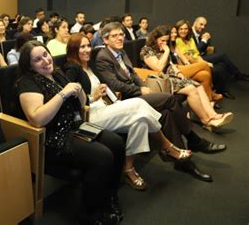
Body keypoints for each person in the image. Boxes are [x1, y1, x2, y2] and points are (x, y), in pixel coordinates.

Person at [95, 22, 225, 182]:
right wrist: (139, 90)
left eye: (121, 34)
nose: (120, 38)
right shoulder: (103, 57)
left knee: (166, 115)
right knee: (170, 100)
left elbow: (133, 74)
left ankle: (183, 161)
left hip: (138, 93)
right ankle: (194, 139)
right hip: (127, 99)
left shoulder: (120, 52)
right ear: (105, 39)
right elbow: (114, 84)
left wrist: (143, 86)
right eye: (114, 36)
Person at [16, 40, 125, 224]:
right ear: (29, 66)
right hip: (53, 138)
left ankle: (109, 196)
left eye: (45, 54)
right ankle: (90, 213)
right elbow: (37, 118)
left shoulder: (57, 74)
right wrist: (63, 94)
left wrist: (79, 90)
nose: (45, 60)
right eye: (37, 59)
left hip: (75, 127)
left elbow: (82, 103)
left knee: (116, 143)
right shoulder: (27, 82)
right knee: (103, 156)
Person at [64, 34, 191, 190]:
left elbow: (106, 89)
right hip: (89, 116)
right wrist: (93, 97)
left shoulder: (90, 66)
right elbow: (71, 101)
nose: (87, 50)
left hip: (106, 108)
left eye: (88, 46)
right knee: (138, 103)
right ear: (73, 49)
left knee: (142, 119)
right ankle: (167, 146)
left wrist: (108, 98)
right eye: (82, 47)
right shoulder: (71, 68)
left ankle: (128, 168)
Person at [141, 26, 233, 131]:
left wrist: (179, 73)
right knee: (191, 89)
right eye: (162, 40)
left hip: (172, 76)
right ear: (155, 38)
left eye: (166, 41)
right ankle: (207, 120)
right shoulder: (146, 50)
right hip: (161, 80)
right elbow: (159, 67)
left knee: (198, 86)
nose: (164, 43)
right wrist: (166, 52)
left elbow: (171, 65)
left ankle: (213, 115)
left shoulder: (161, 48)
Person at [174, 20, 231, 99]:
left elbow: (197, 55)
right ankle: (211, 94)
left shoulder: (191, 40)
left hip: (193, 64)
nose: (183, 31)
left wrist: (203, 62)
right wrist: (204, 63)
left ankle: (208, 97)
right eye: (181, 29)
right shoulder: (177, 40)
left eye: (186, 29)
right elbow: (188, 57)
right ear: (177, 30)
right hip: (184, 66)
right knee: (205, 65)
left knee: (205, 75)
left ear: (188, 30)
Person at [169, 26, 220, 102]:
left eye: (175, 32)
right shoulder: (165, 45)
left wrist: (188, 64)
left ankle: (209, 100)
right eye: (172, 33)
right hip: (174, 70)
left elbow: (182, 57)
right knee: (204, 65)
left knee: (205, 75)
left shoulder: (173, 45)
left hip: (182, 67)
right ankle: (211, 92)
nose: (174, 34)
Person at [192, 16, 249, 81]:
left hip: (202, 56)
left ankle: (223, 85)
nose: (203, 27)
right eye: (201, 24)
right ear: (195, 23)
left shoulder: (198, 33)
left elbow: (204, 48)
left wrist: (207, 40)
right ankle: (238, 75)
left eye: (204, 25)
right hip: (195, 58)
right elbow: (195, 50)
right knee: (222, 55)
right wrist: (204, 40)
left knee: (221, 64)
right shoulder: (189, 33)